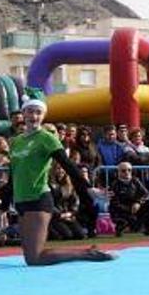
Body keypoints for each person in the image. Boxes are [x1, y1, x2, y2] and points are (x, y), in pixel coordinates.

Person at [10, 93, 113, 265]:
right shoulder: (16, 141)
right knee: (30, 259)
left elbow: (68, 165)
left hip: (38, 198)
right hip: (21, 199)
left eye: (38, 112)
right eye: (30, 111)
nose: (34, 116)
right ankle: (86, 252)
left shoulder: (46, 138)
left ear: (43, 116)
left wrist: (88, 187)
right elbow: (13, 172)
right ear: (24, 114)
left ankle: (86, 253)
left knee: (36, 258)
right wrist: (5, 199)